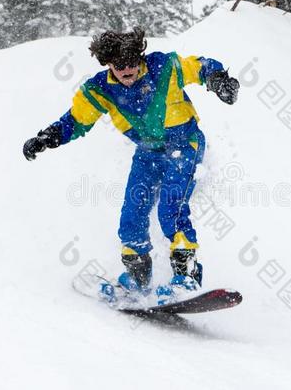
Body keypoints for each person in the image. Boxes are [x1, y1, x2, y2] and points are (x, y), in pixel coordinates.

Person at [23, 27, 239, 301]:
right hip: (148, 153)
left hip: (184, 146)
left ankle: (186, 277)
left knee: (170, 209)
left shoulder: (164, 67)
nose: (127, 71)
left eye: (132, 63)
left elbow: (198, 67)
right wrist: (45, 138)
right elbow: (76, 120)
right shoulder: (101, 90)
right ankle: (138, 279)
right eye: (119, 65)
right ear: (107, 64)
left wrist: (219, 79)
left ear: (140, 58)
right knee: (132, 215)